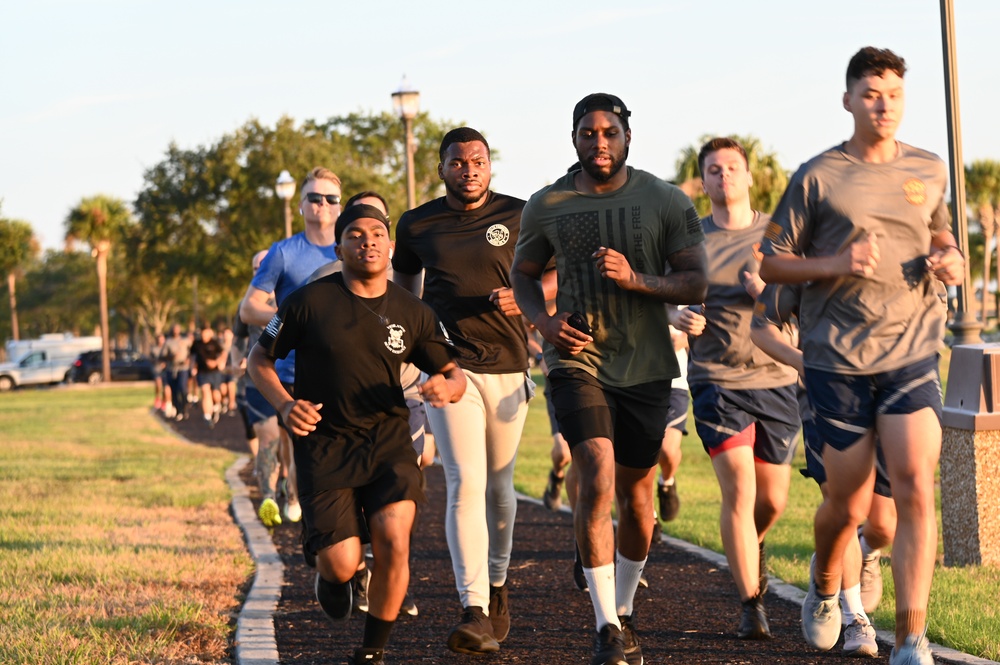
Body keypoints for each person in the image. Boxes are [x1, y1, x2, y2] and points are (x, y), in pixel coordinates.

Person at [758, 47, 964, 665]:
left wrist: (949, 255)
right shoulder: (818, 175)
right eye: (872, 94)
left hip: (911, 354)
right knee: (844, 506)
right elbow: (770, 261)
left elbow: (940, 229)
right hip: (837, 362)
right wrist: (834, 264)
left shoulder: (927, 168)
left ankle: (910, 637)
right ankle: (825, 582)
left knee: (913, 491)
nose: (884, 105)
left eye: (894, 95)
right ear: (849, 99)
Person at [510, 93, 708, 665]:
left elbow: (695, 283)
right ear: (574, 138)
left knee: (637, 497)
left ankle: (622, 612)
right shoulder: (547, 203)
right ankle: (604, 629)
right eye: (588, 132)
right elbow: (525, 274)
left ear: (627, 136)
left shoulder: (664, 199)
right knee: (594, 470)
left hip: (646, 363)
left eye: (609, 132)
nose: (599, 142)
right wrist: (544, 323)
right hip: (578, 360)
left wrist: (638, 280)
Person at [248, 203, 466, 665]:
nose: (367, 241)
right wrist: (286, 405)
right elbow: (258, 360)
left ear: (389, 247)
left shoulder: (414, 311)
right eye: (355, 234)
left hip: (389, 440)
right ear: (338, 245)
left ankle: (372, 651)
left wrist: (445, 386)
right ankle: (332, 575)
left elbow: (453, 371)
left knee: (394, 538)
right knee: (341, 563)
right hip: (324, 443)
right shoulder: (307, 302)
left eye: (376, 234)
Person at [392, 127, 532, 655]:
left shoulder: (521, 215)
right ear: (442, 168)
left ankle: (496, 585)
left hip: (508, 365)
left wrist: (527, 296)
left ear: (490, 167)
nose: (469, 169)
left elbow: (557, 278)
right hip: (449, 368)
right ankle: (472, 606)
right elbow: (404, 293)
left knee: (499, 486)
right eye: (458, 161)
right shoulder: (417, 223)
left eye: (478, 161)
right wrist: (415, 351)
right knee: (464, 481)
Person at [671, 137, 801, 641]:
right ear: (702, 182)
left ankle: (752, 545)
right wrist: (677, 314)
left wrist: (767, 293)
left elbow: (804, 301)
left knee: (772, 500)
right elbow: (667, 294)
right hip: (717, 380)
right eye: (713, 170)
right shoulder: (691, 240)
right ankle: (752, 603)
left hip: (778, 377)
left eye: (732, 168)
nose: (724, 176)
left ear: (748, 177)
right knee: (740, 491)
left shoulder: (778, 234)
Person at [751, 281, 896, 657]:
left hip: (889, 389)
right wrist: (803, 361)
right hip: (825, 393)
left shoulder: (902, 238)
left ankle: (855, 553)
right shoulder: (812, 239)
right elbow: (762, 324)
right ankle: (854, 616)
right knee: (844, 505)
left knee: (883, 524)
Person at [240, 166, 344, 524]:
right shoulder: (283, 253)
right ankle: (299, 505)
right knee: (304, 455)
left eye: (331, 198)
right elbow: (248, 307)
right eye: (314, 198)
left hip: (348, 372)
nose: (323, 205)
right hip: (294, 373)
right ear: (301, 205)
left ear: (340, 206)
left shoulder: (354, 247)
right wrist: (289, 319)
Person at [191, 322, 225, 427]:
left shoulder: (215, 343)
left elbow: (223, 353)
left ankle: (217, 405)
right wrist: (193, 368)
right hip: (202, 372)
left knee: (215, 394)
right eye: (202, 333)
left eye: (206, 333)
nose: (204, 336)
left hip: (214, 372)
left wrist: (217, 362)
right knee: (205, 392)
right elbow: (192, 357)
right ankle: (207, 416)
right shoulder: (196, 344)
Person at [160, 323, 192, 421]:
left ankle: (184, 407)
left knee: (182, 388)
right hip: (172, 369)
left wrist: (189, 359)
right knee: (174, 391)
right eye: (174, 329)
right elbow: (162, 356)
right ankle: (178, 410)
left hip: (183, 368)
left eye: (177, 329)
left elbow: (193, 351)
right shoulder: (168, 342)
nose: (176, 331)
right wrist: (171, 357)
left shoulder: (185, 341)